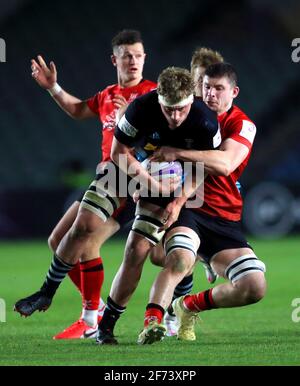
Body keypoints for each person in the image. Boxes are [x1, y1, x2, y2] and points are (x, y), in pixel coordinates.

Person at [14, 29, 157, 340]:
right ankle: (94, 311)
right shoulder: (107, 95)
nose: (132, 61)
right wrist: (53, 87)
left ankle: (91, 317)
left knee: (86, 242)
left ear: (145, 58)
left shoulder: (151, 95)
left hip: (130, 179)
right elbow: (79, 109)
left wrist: (126, 120)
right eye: (126, 56)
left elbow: (157, 141)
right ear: (114, 60)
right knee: (58, 240)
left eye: (137, 55)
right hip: (106, 177)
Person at [137, 62, 266, 344]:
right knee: (175, 258)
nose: (211, 94)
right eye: (206, 87)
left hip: (224, 214)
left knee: (254, 286)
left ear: (234, 92)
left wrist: (176, 153)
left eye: (219, 88)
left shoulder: (242, 124)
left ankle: (188, 306)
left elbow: (225, 164)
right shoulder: (184, 112)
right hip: (189, 207)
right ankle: (152, 322)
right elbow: (146, 139)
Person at [96, 66, 221, 345]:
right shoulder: (140, 108)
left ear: (191, 100)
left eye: (181, 109)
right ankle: (106, 326)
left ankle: (172, 314)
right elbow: (118, 152)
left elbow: (205, 167)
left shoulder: (206, 121)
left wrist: (177, 202)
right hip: (150, 178)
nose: (175, 117)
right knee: (136, 250)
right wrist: (145, 182)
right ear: (158, 98)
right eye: (168, 110)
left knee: (180, 255)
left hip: (192, 189)